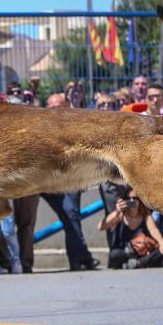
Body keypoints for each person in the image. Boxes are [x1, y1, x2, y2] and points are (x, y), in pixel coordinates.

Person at [41, 93, 98, 271]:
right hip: (45, 182)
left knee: (70, 213)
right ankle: (83, 257)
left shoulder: (77, 126)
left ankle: (79, 259)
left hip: (71, 178)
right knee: (69, 216)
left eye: (59, 107)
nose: (55, 111)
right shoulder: (39, 128)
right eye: (51, 107)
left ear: (67, 107)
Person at [99, 189, 163, 269]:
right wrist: (117, 211)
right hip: (125, 252)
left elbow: (153, 230)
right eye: (128, 198)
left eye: (135, 198)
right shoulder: (120, 215)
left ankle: (136, 263)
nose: (131, 200)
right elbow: (101, 226)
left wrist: (161, 242)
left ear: (140, 200)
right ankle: (142, 262)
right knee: (114, 254)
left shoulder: (145, 216)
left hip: (142, 252)